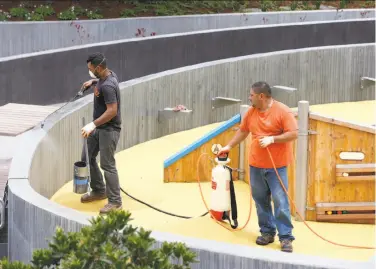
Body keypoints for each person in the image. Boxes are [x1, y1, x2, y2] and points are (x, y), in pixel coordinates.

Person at [217, 81, 298, 253]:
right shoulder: (251, 112)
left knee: (280, 201)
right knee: (261, 201)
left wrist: (273, 139)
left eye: (251, 95)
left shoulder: (282, 111)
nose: (249, 97)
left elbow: (294, 133)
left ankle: (285, 238)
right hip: (256, 166)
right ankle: (267, 232)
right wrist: (229, 146)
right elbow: (243, 130)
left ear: (261, 96)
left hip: (277, 167)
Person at [80, 52, 122, 214]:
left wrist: (92, 124)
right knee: (87, 157)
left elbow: (112, 111)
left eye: (91, 69)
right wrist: (93, 82)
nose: (89, 71)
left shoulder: (108, 86)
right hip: (98, 128)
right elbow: (102, 80)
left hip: (109, 129)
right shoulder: (107, 76)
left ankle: (115, 201)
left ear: (98, 67)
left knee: (107, 165)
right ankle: (99, 190)